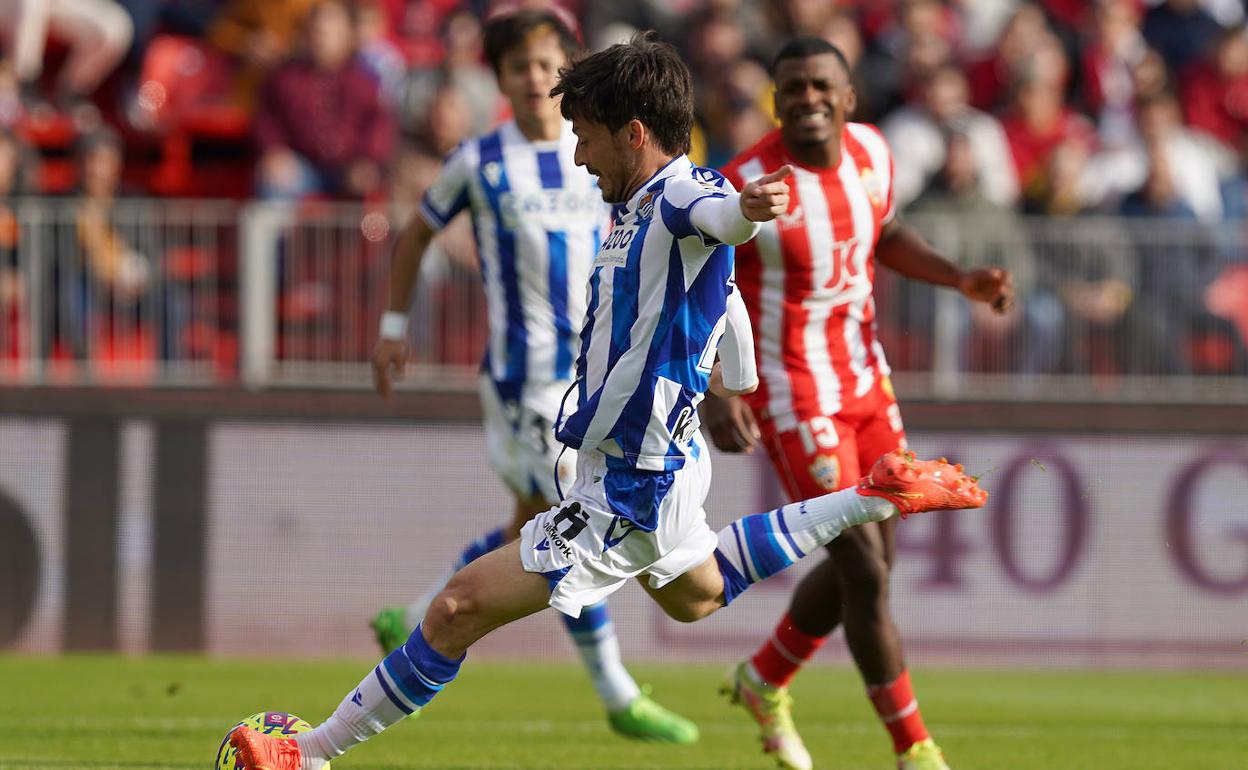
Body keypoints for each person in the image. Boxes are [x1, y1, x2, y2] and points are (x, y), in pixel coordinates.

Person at [226, 33, 986, 770]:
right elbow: (721, 288)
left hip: (633, 481)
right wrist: (736, 376)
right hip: (658, 465)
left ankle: (310, 751)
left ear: (632, 132)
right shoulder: (636, 208)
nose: (580, 157)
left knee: (456, 608)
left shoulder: (681, 192)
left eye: (587, 138)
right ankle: (869, 495)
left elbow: (720, 217)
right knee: (698, 594)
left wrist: (749, 210)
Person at [366, 10, 695, 744]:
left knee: (528, 525)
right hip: (528, 382)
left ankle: (412, 610)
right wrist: (393, 327)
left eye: (547, 63)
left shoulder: (598, 154)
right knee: (574, 521)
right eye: (519, 67)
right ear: (500, 77)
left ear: (567, 64)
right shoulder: (481, 161)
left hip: (596, 374)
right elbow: (417, 229)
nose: (535, 78)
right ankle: (617, 693)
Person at [708, 37, 1013, 770]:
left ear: (848, 99)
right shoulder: (747, 181)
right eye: (792, 90)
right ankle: (915, 750)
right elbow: (699, 283)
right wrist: (720, 385)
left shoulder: (874, 152)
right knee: (865, 571)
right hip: (792, 392)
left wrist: (956, 277)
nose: (806, 99)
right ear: (776, 100)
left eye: (820, 87)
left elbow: (885, 234)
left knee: (877, 556)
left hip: (866, 380)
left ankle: (765, 677)